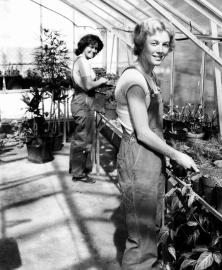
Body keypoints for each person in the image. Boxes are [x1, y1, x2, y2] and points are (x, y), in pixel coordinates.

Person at [115, 18, 199, 270]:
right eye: (154, 43)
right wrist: (178, 155)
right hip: (138, 156)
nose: (161, 49)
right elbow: (142, 131)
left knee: (150, 227)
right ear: (141, 44)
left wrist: (164, 155)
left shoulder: (147, 75)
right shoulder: (135, 81)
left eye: (165, 44)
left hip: (149, 157)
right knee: (141, 238)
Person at [69, 34, 108, 182]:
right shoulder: (82, 62)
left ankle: (76, 169)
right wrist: (101, 81)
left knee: (81, 137)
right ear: (83, 45)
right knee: (83, 139)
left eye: (96, 49)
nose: (94, 50)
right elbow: (87, 85)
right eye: (91, 46)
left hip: (83, 101)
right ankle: (79, 174)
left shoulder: (81, 61)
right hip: (83, 101)